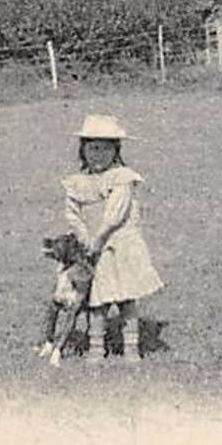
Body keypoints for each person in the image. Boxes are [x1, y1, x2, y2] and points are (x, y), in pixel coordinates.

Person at [60, 114, 162, 364]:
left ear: (116, 151)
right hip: (92, 247)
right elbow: (72, 214)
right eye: (93, 149)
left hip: (118, 244)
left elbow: (114, 216)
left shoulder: (122, 178)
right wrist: (84, 237)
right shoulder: (79, 182)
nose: (98, 155)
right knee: (97, 300)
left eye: (106, 149)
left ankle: (131, 348)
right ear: (82, 150)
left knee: (126, 297)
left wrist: (98, 238)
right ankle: (96, 347)